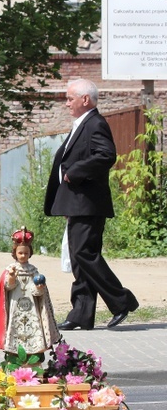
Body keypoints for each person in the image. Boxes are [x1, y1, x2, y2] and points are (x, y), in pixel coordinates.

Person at [44, 79, 140, 330]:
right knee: (79, 258)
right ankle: (81, 314)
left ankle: (121, 300)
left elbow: (106, 155)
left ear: (85, 99)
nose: (66, 103)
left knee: (84, 254)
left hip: (88, 203)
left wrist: (75, 172)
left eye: (69, 98)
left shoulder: (95, 123)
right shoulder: (82, 124)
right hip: (78, 203)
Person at [0, 227, 60, 355]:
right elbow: (8, 287)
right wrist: (12, 278)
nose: (23, 256)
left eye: (26, 253)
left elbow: (37, 292)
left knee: (33, 327)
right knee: (15, 327)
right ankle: (15, 355)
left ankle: (33, 354)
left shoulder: (33, 271)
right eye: (20, 253)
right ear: (15, 253)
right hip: (15, 306)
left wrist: (39, 288)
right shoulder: (11, 269)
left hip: (31, 308)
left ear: (30, 253)